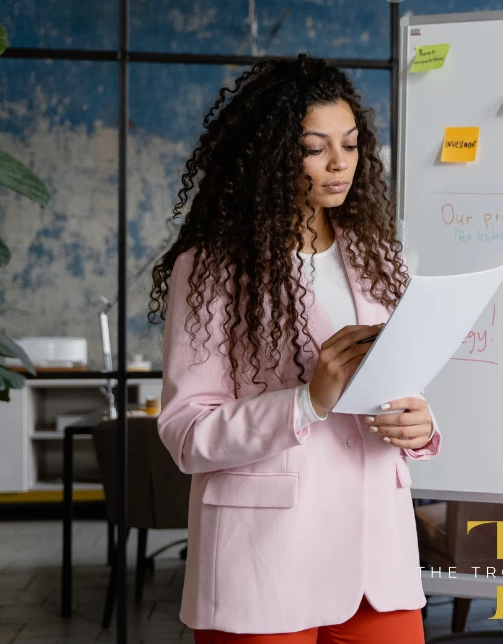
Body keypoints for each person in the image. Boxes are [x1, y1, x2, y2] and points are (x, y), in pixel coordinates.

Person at [149, 54, 439, 643]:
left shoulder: (384, 261)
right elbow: (185, 433)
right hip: (265, 559)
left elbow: (401, 386)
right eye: (315, 148)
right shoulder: (211, 269)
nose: (341, 164)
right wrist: (307, 401)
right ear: (273, 155)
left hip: (375, 560)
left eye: (352, 145)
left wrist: (422, 424)